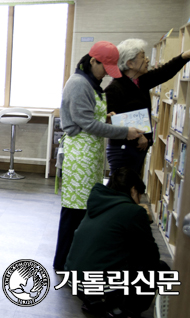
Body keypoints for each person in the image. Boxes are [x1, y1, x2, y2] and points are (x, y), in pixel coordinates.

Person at [53, 41, 144, 271]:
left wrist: (107, 117)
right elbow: (85, 123)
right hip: (80, 155)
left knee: (83, 210)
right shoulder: (78, 84)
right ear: (93, 61)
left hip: (90, 155)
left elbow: (90, 118)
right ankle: (63, 263)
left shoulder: (91, 83)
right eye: (104, 67)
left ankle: (76, 260)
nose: (105, 74)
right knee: (74, 212)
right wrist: (124, 131)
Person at [65, 167, 169, 318]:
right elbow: (151, 255)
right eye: (140, 195)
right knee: (159, 268)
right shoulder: (134, 212)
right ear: (133, 191)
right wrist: (145, 221)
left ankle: (93, 301)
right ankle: (126, 311)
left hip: (75, 279)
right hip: (98, 282)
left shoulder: (98, 202)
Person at [105, 39, 190, 176]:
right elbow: (111, 120)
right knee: (121, 189)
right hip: (123, 149)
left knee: (132, 190)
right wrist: (139, 135)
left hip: (136, 148)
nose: (147, 60)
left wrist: (184, 57)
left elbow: (164, 72)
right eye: (143, 56)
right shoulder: (115, 88)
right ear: (130, 63)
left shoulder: (140, 82)